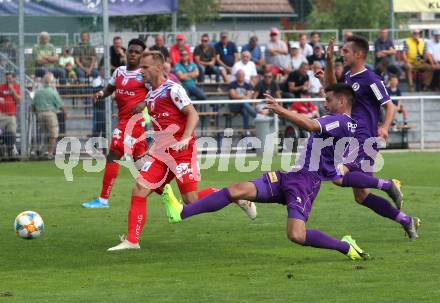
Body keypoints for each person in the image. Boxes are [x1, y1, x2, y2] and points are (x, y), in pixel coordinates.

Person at [161, 84, 373, 260]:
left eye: (328, 100)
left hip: (305, 184)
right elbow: (325, 105)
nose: (325, 104)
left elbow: (309, 124)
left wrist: (281, 111)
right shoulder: (343, 122)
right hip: (291, 177)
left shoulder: (340, 121)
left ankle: (344, 246)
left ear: (342, 102)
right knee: (236, 190)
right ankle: (181, 213)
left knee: (296, 235)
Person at [107, 51, 256, 251]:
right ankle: (132, 240)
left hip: (182, 152)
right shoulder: (151, 94)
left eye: (145, 67)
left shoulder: (173, 89)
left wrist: (185, 138)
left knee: (191, 201)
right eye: (140, 67)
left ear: (158, 68)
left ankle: (235, 196)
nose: (140, 71)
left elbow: (192, 114)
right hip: (161, 154)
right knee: (139, 189)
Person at [325, 35, 420, 240]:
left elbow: (390, 105)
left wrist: (385, 126)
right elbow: (333, 89)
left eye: (346, 51)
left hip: (363, 137)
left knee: (338, 176)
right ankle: (405, 220)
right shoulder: (350, 77)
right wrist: (329, 61)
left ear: (359, 54)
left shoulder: (371, 79)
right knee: (361, 196)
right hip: (353, 136)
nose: (342, 53)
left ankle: (387, 185)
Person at [82, 39, 149, 209]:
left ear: (142, 56)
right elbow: (110, 89)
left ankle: (103, 200)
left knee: (113, 156)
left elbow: (157, 91)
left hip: (132, 123)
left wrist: (144, 102)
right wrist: (100, 93)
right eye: (131, 51)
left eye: (137, 52)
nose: (133, 54)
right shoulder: (119, 72)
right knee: (141, 165)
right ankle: (167, 193)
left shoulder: (144, 74)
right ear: (126, 53)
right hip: (126, 122)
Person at [31, 72, 64, 158]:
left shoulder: (38, 93)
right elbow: (60, 105)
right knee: (53, 134)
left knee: (44, 134)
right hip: (50, 114)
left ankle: (44, 151)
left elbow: (33, 106)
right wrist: (65, 113)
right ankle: (49, 153)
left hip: (40, 114)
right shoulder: (53, 92)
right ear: (51, 82)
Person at [0, 72, 21, 157]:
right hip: (1, 115)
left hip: (11, 115)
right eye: (7, 78)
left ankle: (11, 152)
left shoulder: (16, 87)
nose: (8, 80)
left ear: (13, 78)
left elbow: (18, 100)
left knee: (11, 134)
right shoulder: (1, 87)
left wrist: (12, 90)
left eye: (9, 78)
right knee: (2, 133)